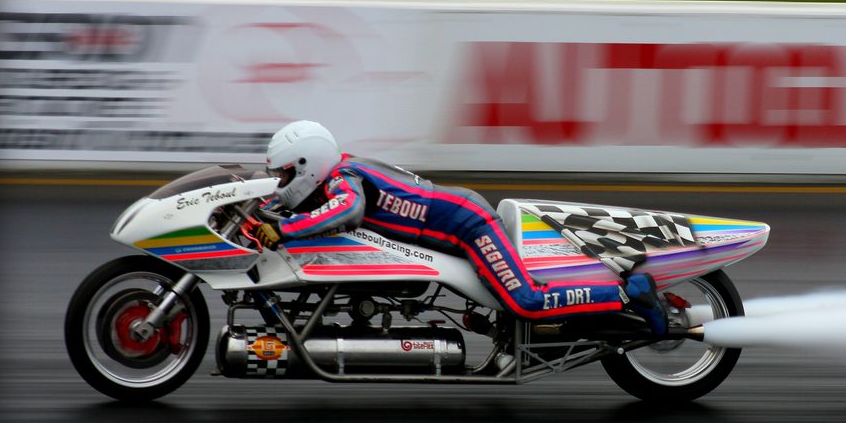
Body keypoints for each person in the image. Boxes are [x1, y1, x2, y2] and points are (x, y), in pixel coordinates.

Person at [253, 120, 669, 334]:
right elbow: (285, 200)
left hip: (468, 225)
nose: (284, 184)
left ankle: (628, 293)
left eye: (286, 175)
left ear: (308, 166)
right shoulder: (335, 175)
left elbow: (348, 213)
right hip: (453, 223)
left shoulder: (344, 181)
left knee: (525, 301)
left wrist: (286, 230)